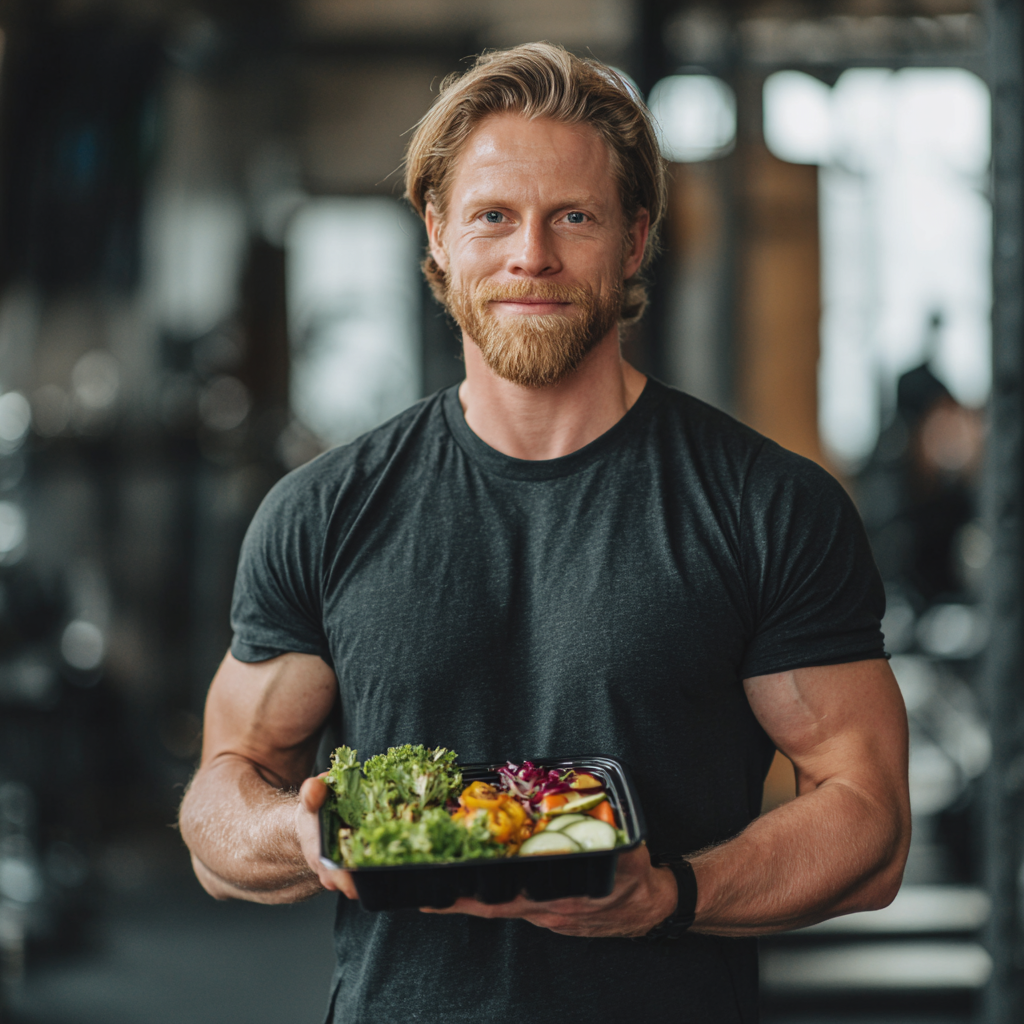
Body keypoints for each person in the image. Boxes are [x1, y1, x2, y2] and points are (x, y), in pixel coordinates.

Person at [179, 43, 910, 1024]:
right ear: (437, 234)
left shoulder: (766, 505)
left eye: (574, 216)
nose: (532, 255)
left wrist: (669, 895)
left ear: (635, 238)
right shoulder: (323, 512)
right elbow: (221, 801)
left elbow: (869, 820)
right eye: (493, 216)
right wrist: (303, 834)